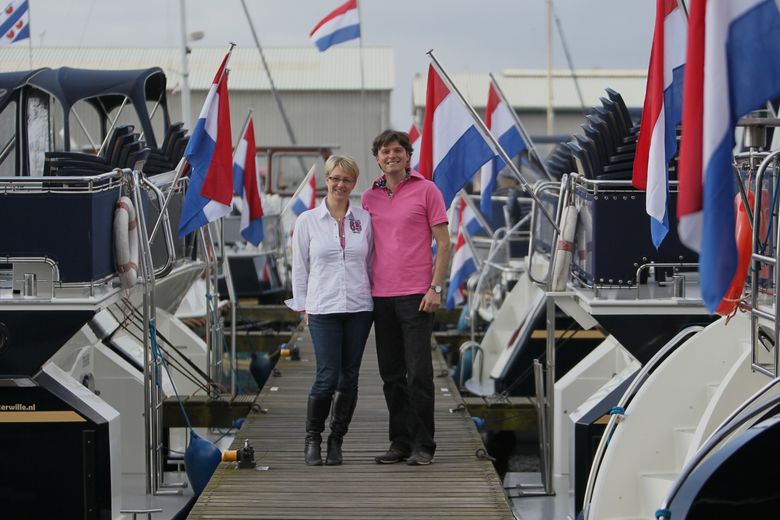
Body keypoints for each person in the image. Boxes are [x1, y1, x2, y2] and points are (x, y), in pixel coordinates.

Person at [361, 129, 451, 466]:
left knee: (419, 374)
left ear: (408, 156)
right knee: (391, 375)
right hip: (380, 296)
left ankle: (423, 445)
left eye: (397, 150)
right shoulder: (368, 197)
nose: (391, 156)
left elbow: (445, 243)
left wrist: (435, 288)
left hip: (417, 295)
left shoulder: (427, 190)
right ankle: (399, 442)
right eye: (385, 151)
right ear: (377, 158)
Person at [286, 155, 374, 466]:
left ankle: (337, 440)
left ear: (354, 183)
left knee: (349, 377)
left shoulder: (364, 219)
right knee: (327, 376)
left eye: (347, 180)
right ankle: (313, 438)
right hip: (323, 307)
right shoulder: (307, 220)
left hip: (359, 307)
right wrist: (302, 306)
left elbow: (371, 262)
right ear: (327, 180)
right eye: (335, 178)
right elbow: (300, 268)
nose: (340, 184)